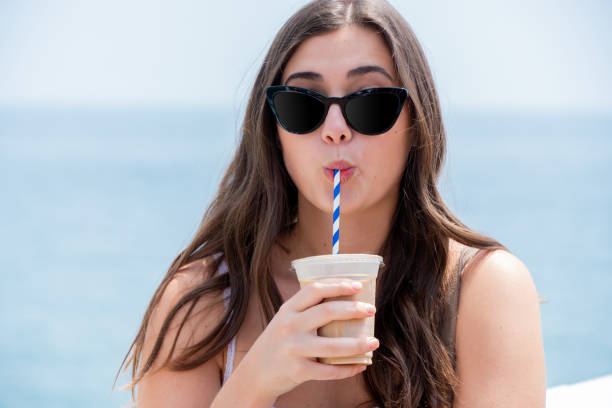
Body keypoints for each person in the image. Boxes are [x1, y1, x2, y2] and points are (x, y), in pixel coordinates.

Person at [114, 0, 546, 406]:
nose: (335, 129)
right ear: (274, 131)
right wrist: (253, 381)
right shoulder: (202, 306)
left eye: (371, 103)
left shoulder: (482, 292)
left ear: (416, 123)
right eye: (303, 105)